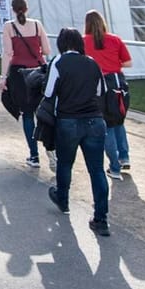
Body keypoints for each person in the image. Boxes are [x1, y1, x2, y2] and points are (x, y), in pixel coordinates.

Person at [42, 28, 111, 237]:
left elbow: (48, 92)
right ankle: (101, 218)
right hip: (94, 120)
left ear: (62, 43)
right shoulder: (92, 62)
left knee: (65, 163)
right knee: (97, 170)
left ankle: (63, 198)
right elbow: (101, 91)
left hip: (68, 119)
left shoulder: (59, 62)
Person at [0, 0, 52, 168]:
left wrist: (3, 76)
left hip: (19, 73)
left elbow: (8, 53)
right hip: (38, 70)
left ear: (13, 10)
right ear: (27, 8)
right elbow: (46, 50)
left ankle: (34, 155)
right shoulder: (37, 25)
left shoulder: (9, 27)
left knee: (27, 114)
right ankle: (51, 149)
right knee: (43, 112)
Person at [84, 10, 133, 181]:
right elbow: (128, 62)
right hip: (118, 83)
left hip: (98, 85)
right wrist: (112, 62)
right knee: (118, 119)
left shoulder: (84, 42)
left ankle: (114, 165)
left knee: (106, 126)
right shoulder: (115, 39)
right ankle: (124, 156)